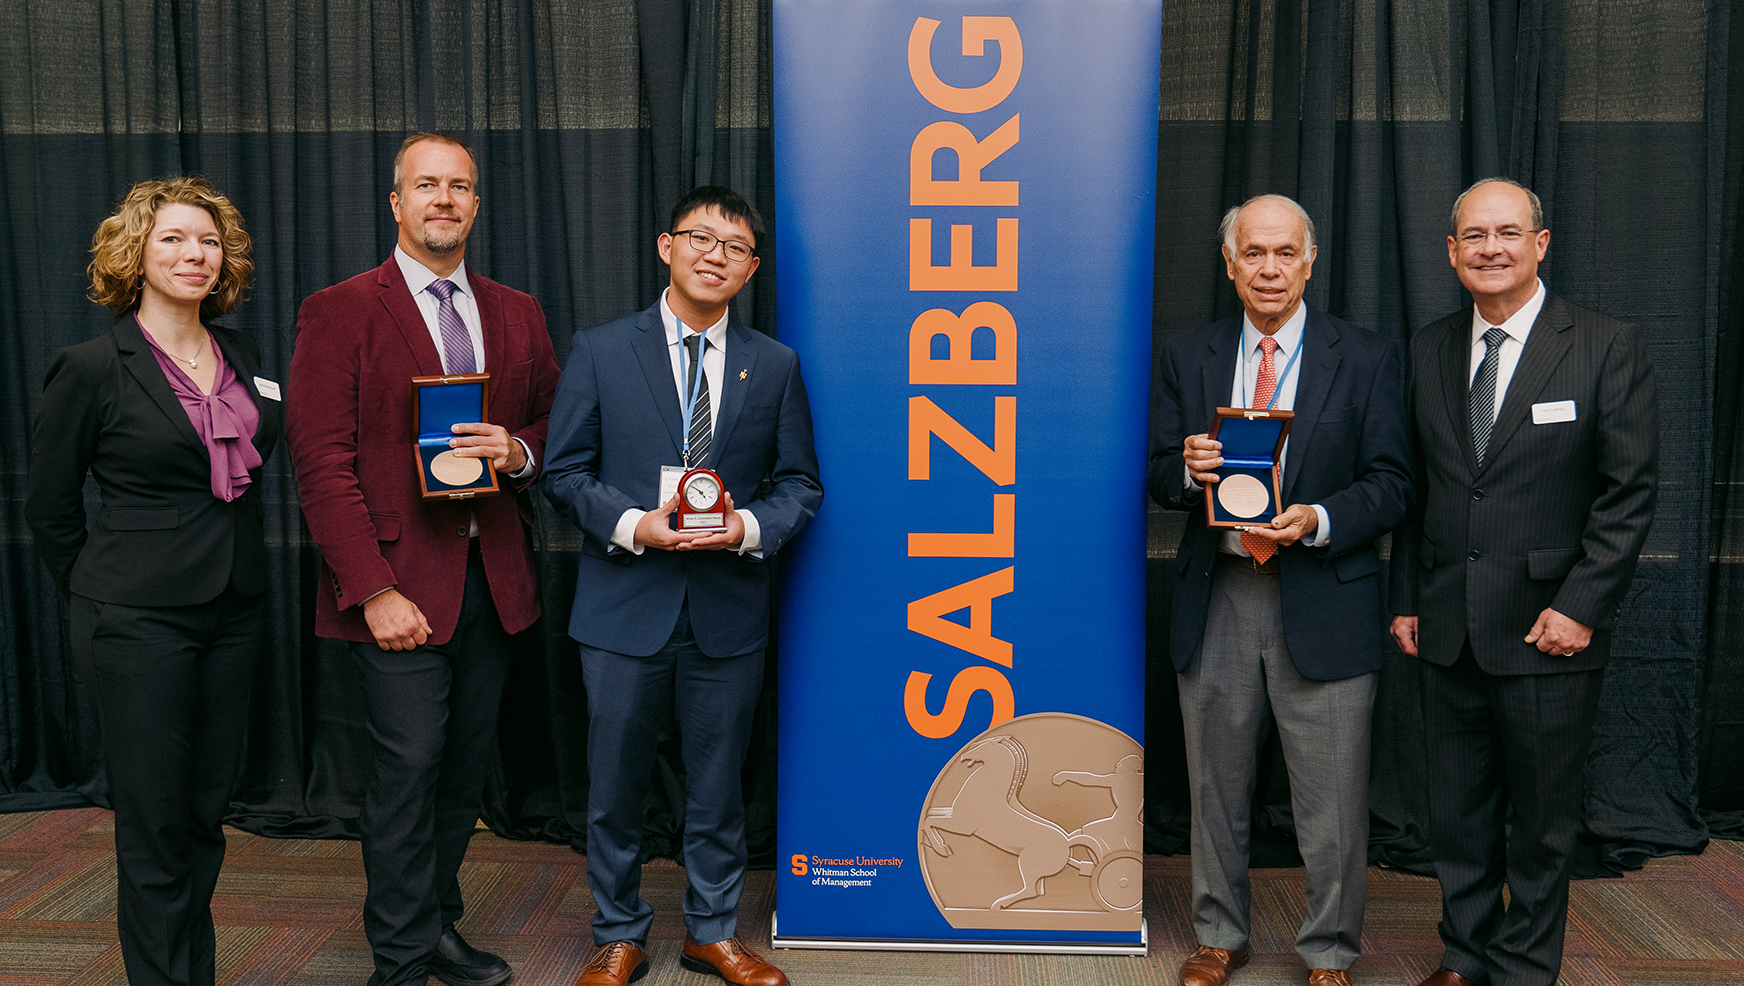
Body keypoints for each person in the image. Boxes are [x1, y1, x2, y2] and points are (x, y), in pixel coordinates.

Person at [285, 132, 560, 986]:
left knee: (461, 773)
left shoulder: (517, 310)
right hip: (397, 589)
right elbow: (320, 461)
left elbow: (559, 423)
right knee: (405, 775)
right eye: (427, 185)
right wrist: (370, 589)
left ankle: (436, 925)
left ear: (477, 206)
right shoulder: (340, 309)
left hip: (493, 581)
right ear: (396, 202)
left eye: (461, 187)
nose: (445, 199)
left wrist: (517, 450)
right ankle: (400, 959)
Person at [542, 186, 822, 986]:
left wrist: (748, 527)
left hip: (726, 610)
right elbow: (563, 473)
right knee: (615, 784)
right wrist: (634, 524)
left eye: (734, 247)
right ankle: (618, 931)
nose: (714, 255)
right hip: (625, 602)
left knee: (717, 784)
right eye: (700, 238)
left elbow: (802, 484)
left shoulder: (774, 365)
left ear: (751, 268)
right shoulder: (601, 349)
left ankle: (711, 931)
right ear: (666, 247)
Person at [1389, 178, 1658, 986]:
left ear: (1541, 244)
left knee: (1542, 825)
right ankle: (1465, 958)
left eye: (1508, 233)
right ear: (1451, 252)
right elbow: (1418, 490)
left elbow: (1630, 491)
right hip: (1443, 625)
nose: (1491, 249)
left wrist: (1580, 606)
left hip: (1549, 627)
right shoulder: (1429, 348)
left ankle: (1522, 967)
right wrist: (1405, 596)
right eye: (1474, 236)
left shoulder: (1604, 345)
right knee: (1457, 817)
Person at [1148, 194, 1412, 986]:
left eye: (1285, 253)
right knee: (1214, 786)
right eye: (1254, 253)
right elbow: (1156, 472)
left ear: (1311, 260)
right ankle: (1218, 936)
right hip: (1221, 590)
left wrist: (1323, 517)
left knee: (1330, 798)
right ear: (1229, 265)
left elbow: (1395, 482)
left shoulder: (1365, 357)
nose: (1270, 268)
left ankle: (1329, 952)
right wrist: (1183, 469)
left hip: (1323, 589)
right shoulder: (1186, 355)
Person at [25, 176, 278, 986]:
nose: (192, 254)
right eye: (171, 238)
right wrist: (104, 591)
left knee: (206, 815)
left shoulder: (242, 355)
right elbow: (52, 509)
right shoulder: (93, 366)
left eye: (206, 240)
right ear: (134, 253)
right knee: (155, 822)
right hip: (135, 621)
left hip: (232, 610)